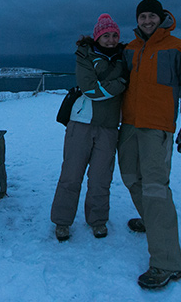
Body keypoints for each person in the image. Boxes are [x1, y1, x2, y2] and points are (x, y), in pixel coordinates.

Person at [117, 0, 181, 290]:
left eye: (152, 16)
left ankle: (167, 264)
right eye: (142, 16)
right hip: (129, 124)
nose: (147, 21)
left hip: (158, 128)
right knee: (131, 177)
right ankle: (152, 221)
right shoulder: (129, 49)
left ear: (162, 17)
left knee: (155, 188)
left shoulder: (178, 48)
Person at [50, 13, 127, 242]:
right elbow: (90, 89)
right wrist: (120, 84)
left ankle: (98, 220)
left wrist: (110, 85)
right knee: (71, 176)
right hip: (81, 123)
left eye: (114, 35)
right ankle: (62, 221)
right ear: (97, 37)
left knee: (101, 178)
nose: (111, 40)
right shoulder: (85, 55)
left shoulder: (125, 57)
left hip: (110, 126)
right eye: (106, 35)